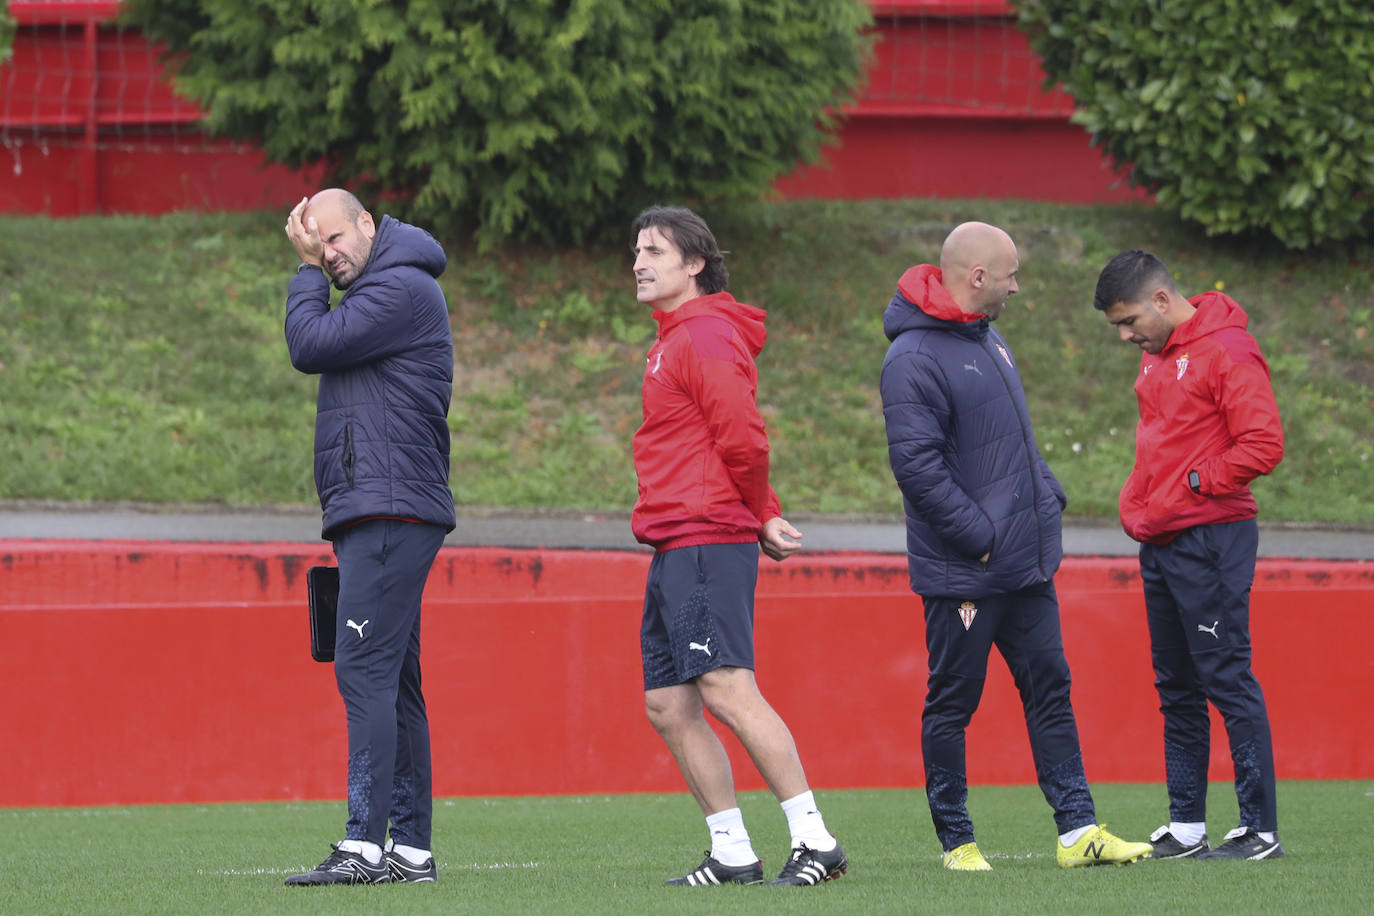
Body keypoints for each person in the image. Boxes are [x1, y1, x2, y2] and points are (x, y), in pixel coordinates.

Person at [879, 221, 1153, 871]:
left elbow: (1014, 446)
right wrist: (980, 540)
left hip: (1024, 565)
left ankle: (1078, 832)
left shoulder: (988, 337)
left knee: (1050, 689)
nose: (1017, 286)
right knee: (954, 702)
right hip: (966, 572)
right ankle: (957, 841)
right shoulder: (913, 357)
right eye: (1010, 275)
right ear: (978, 278)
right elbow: (917, 469)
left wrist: (1046, 496)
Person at [629, 205, 846, 887]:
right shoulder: (674, 339)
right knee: (668, 703)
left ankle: (816, 842)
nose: (639, 262)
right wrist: (764, 510)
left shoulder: (705, 337)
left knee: (726, 687)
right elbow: (719, 440)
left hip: (703, 537)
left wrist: (756, 514)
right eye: (636, 251)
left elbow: (744, 438)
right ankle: (731, 853)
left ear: (695, 263)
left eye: (655, 251)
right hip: (674, 538)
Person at [280, 188, 457, 885]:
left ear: (366, 223)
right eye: (316, 245)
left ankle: (363, 846)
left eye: (334, 239)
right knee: (397, 682)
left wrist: (300, 273)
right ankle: (409, 850)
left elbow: (308, 344)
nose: (327, 254)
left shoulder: (401, 290)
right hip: (384, 505)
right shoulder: (383, 290)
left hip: (390, 508)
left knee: (363, 672)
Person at [1093, 250, 1285, 861]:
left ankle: (1260, 830)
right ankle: (1188, 828)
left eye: (1129, 321)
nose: (1126, 335)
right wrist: (1139, 500)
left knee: (1225, 677)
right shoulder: (1157, 358)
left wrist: (1195, 485)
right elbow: (1158, 445)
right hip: (1164, 540)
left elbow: (1263, 443)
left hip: (1212, 540)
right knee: (1176, 685)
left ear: (1160, 300)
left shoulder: (1227, 349)